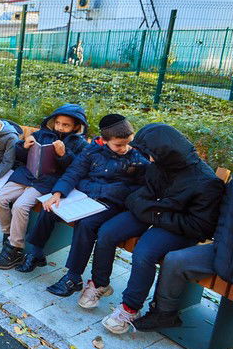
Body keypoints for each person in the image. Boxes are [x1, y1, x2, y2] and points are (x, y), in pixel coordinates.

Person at [83, 124, 225, 333]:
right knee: (107, 231)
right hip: (155, 213)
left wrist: (155, 214)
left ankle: (130, 307)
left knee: (144, 251)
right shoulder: (159, 166)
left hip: (179, 227)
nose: (147, 159)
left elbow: (199, 226)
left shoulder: (205, 182)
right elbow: (139, 195)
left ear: (167, 154)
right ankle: (99, 283)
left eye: (151, 154)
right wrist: (153, 211)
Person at [22, 114, 149, 298]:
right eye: (118, 145)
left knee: (86, 224)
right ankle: (36, 252)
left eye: (127, 143)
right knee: (50, 207)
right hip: (83, 196)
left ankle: (73, 277)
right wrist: (57, 193)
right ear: (104, 141)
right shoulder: (92, 151)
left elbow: (138, 188)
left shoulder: (137, 159)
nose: (124, 148)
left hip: (109, 203)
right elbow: (74, 172)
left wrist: (109, 192)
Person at [0, 104, 89, 270]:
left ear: (76, 127)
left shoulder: (79, 144)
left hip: (47, 181)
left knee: (21, 206)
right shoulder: (42, 134)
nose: (60, 127)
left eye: (66, 125)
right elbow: (21, 156)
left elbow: (74, 168)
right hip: (26, 174)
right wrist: (24, 146)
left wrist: (63, 155)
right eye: (58, 122)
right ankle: (8, 234)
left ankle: (15, 248)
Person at [133, 178, 233, 331]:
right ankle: (164, 314)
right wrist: (221, 246)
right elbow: (224, 221)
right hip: (224, 249)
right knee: (175, 260)